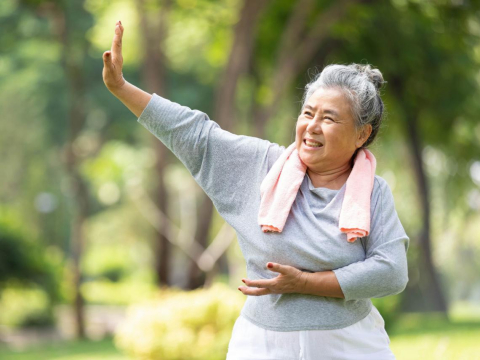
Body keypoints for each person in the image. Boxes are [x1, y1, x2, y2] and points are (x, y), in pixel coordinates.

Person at [103, 21, 409, 360]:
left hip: (352, 346)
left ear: (361, 135)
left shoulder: (373, 192)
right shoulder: (259, 166)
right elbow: (194, 134)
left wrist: (306, 283)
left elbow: (391, 271)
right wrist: (121, 87)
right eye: (308, 113)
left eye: (329, 118)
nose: (312, 126)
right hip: (263, 346)